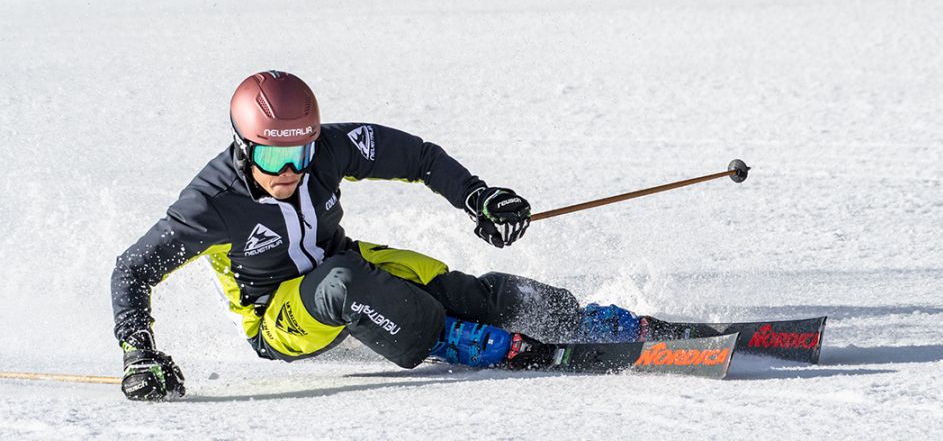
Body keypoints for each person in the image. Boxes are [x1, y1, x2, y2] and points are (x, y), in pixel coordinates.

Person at [112, 70, 661, 401]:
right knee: (344, 280)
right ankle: (451, 341)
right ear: (243, 146)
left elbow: (418, 157)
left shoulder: (328, 148)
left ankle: (575, 316)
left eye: (300, 153)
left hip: (345, 264)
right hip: (277, 316)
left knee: (463, 291)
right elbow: (132, 269)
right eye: (274, 155)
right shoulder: (211, 204)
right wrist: (140, 354)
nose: (290, 170)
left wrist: (478, 196)